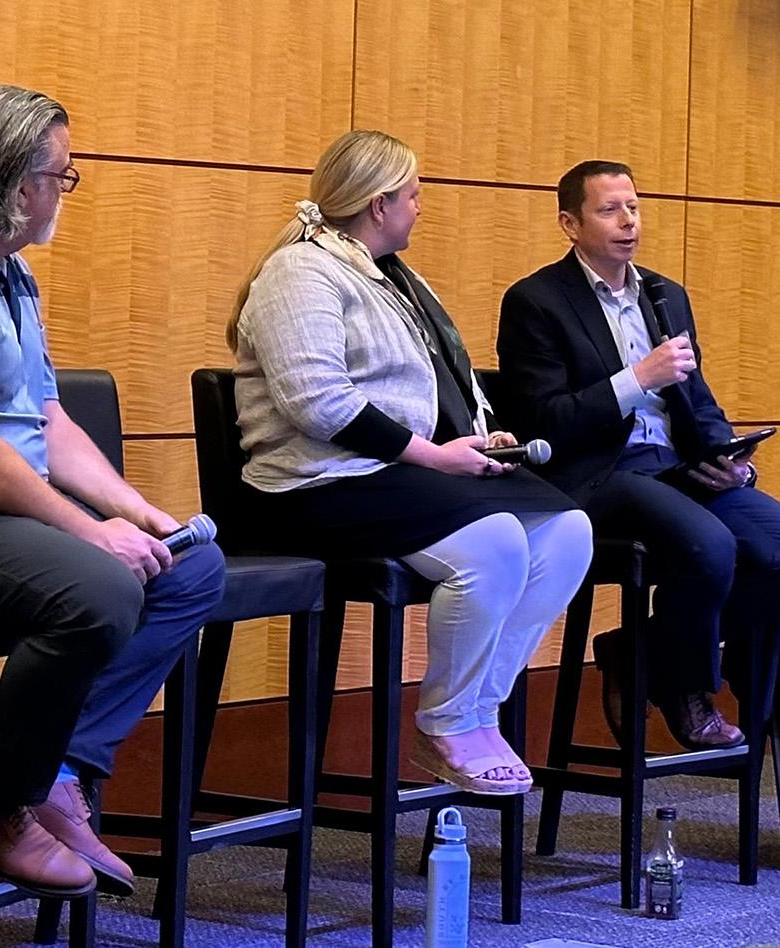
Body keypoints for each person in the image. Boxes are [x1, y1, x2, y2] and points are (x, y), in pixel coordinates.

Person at [0, 85, 226, 897]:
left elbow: (47, 422)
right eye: (57, 174)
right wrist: (92, 533)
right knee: (99, 587)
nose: (63, 190)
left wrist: (135, 512)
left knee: (189, 569)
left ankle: (52, 774)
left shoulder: (8, 272)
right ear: (7, 178)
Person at [229, 130, 591, 794]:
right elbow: (319, 405)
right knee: (495, 543)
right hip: (312, 484)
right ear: (379, 204)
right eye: (414, 195)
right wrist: (436, 458)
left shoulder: (393, 277)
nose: (420, 208)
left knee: (568, 530)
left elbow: (430, 387)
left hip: (393, 474)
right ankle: (447, 720)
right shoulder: (299, 272)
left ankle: (478, 706)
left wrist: (474, 439)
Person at [497, 161, 780, 749]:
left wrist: (731, 458)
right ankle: (687, 688)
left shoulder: (664, 295)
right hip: (598, 475)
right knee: (710, 546)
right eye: (609, 210)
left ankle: (639, 652)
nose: (628, 221)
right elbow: (545, 422)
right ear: (570, 224)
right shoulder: (536, 301)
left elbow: (697, 399)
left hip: (677, 468)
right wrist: (637, 379)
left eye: (634, 207)